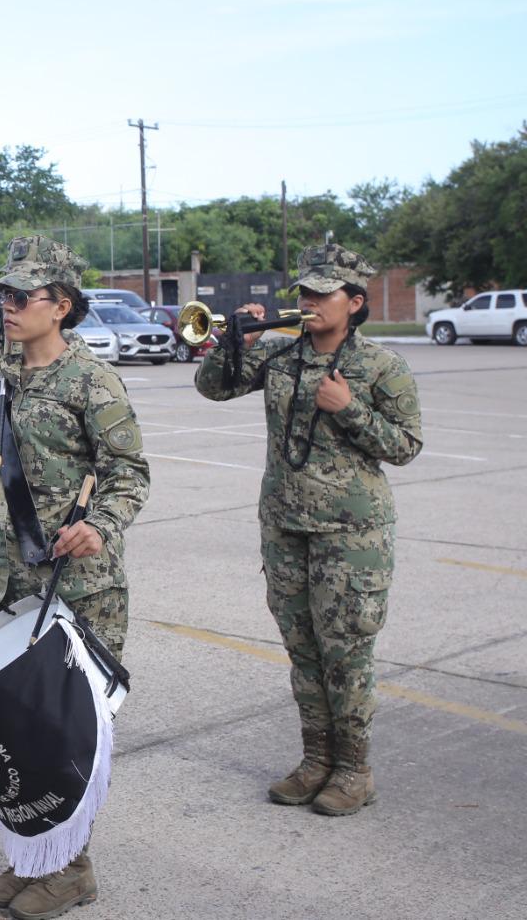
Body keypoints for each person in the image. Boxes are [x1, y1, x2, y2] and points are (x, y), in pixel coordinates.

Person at [0, 236, 149, 918]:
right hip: (9, 586)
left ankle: (71, 868)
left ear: (61, 306)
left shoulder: (92, 381)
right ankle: (35, 857)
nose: (5, 307)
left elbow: (129, 474)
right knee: (17, 727)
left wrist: (102, 525)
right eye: (1, 296)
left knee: (67, 730)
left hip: (77, 589)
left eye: (20, 297)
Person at [195, 243, 421, 817]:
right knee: (303, 651)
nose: (311, 301)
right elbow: (214, 387)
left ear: (355, 302)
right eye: (306, 292)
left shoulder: (381, 366)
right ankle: (316, 760)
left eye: (324, 293)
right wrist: (233, 341)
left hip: (352, 536)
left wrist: (349, 409)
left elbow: (406, 446)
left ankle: (355, 770)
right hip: (285, 526)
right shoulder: (279, 354)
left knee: (346, 653)